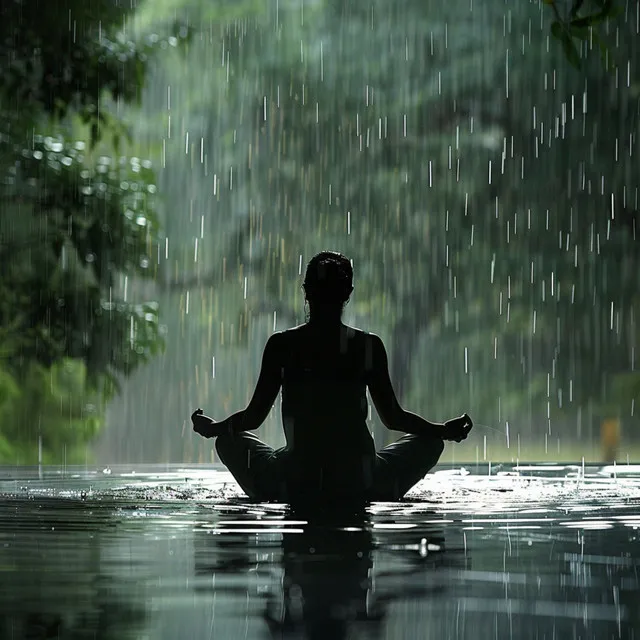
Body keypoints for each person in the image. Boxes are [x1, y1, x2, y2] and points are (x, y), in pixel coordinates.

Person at [191, 250, 472, 506]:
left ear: (306, 292)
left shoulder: (282, 346)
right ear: (348, 293)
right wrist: (443, 431)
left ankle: (277, 489)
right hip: (361, 481)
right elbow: (394, 418)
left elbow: (252, 418)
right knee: (430, 441)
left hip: (296, 481)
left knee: (227, 441)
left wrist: (214, 428)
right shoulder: (367, 346)